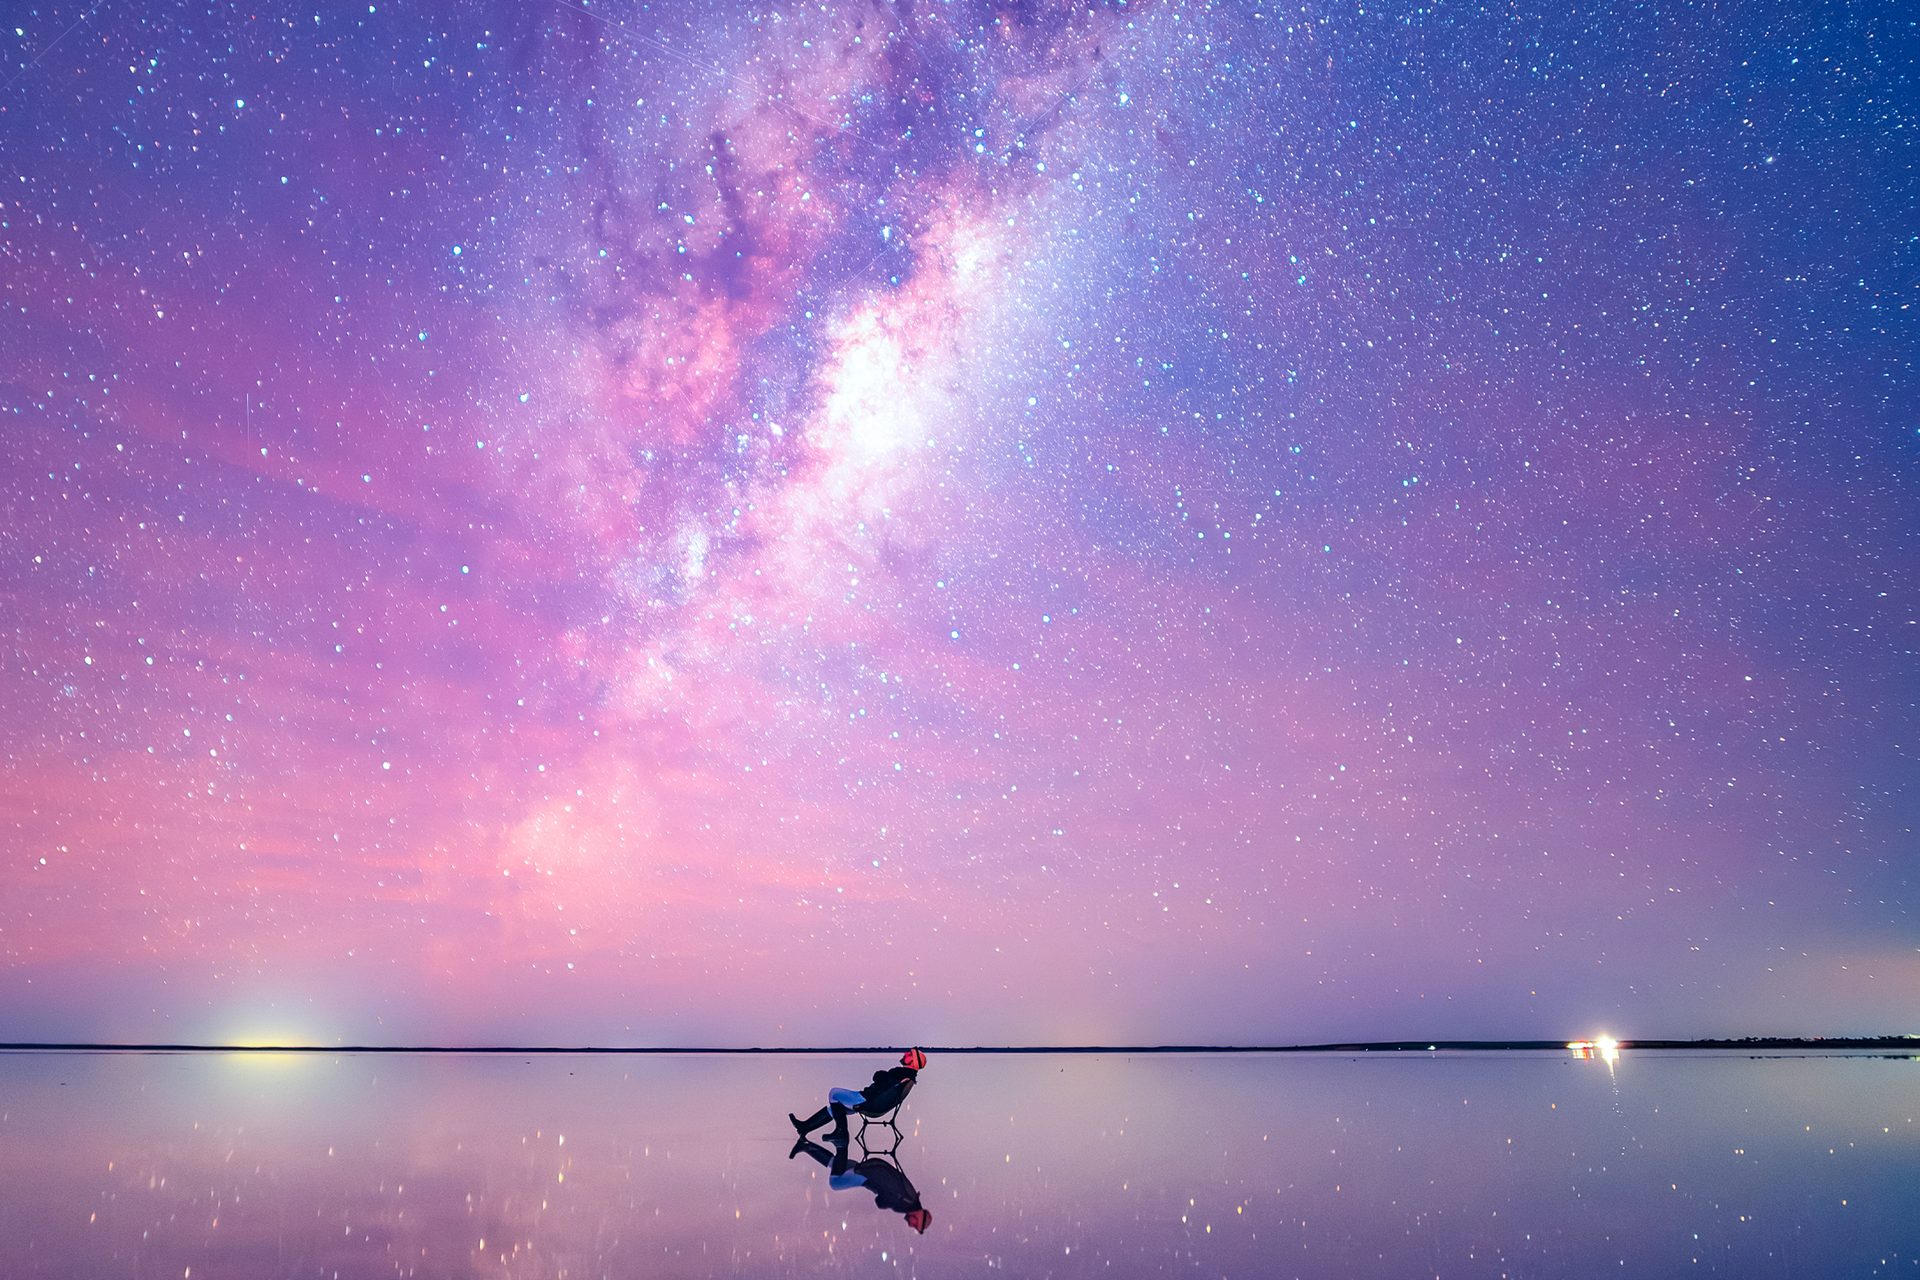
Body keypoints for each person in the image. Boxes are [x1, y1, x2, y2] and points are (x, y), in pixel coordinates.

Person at [789, 1136, 933, 1234]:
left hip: (873, 1170)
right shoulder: (906, 1202)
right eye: (915, 1224)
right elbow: (881, 1201)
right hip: (868, 1176)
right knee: (836, 1182)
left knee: (837, 1165)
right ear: (920, 1216)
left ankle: (807, 1146)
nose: (910, 1225)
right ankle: (841, 1143)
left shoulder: (910, 1199)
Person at [790, 1048, 925, 1144]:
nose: (905, 1054)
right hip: (872, 1100)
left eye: (909, 1054)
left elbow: (879, 1077)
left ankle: (841, 1133)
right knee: (836, 1108)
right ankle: (805, 1127)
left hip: (867, 1100)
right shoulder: (907, 1075)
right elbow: (883, 1080)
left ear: (913, 1061)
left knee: (834, 1093)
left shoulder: (900, 1073)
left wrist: (881, 1074)